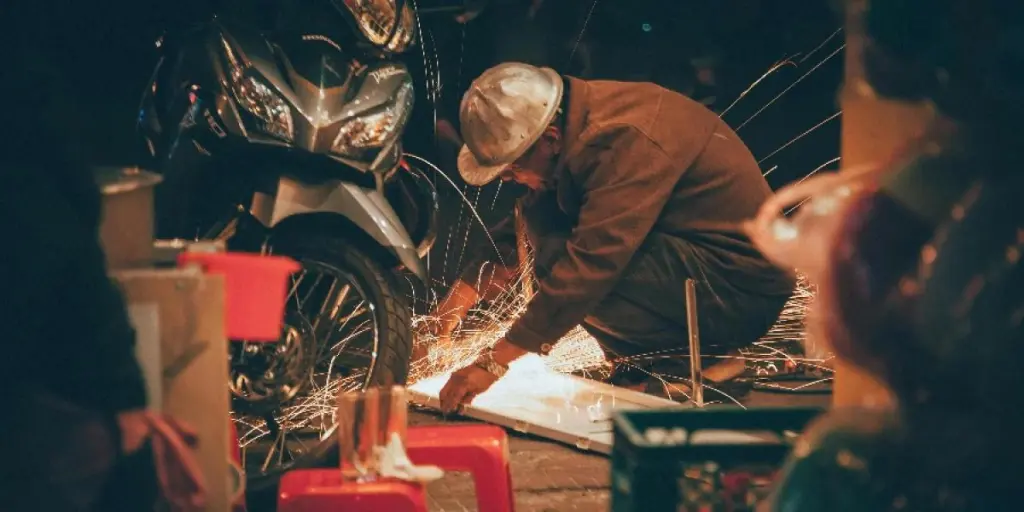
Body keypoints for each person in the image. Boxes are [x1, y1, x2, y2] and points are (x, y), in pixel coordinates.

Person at [430, 62, 795, 412]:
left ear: (550, 138)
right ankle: (647, 362)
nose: (512, 180)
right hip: (696, 268)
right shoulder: (569, 135)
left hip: (739, 289)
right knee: (549, 235)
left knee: (560, 259)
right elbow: (523, 228)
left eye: (513, 170)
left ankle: (706, 363)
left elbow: (593, 261)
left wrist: (495, 361)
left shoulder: (623, 140)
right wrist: (448, 314)